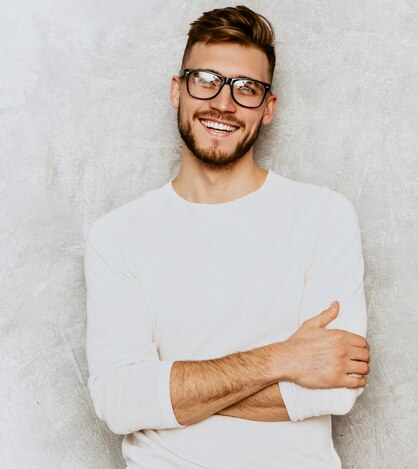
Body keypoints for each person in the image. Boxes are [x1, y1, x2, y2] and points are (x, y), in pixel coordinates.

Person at [84, 5, 370, 468]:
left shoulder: (323, 216)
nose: (223, 103)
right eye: (205, 80)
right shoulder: (117, 236)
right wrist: (281, 358)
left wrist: (163, 394)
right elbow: (118, 402)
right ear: (177, 91)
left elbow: (335, 391)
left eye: (246, 88)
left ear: (268, 107)